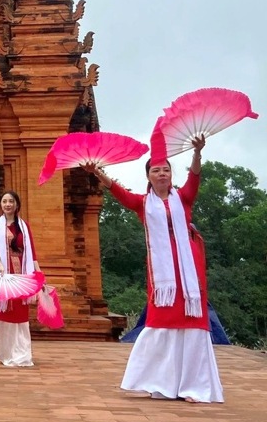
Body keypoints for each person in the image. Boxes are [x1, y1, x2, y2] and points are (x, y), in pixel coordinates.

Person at [82, 134, 223, 403]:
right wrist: (96, 172)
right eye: (156, 170)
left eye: (166, 170)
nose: (161, 174)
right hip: (163, 280)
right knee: (160, 325)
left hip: (189, 274)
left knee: (193, 327)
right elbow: (118, 191)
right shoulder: (142, 204)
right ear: (148, 176)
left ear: (171, 174)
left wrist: (197, 152)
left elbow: (194, 178)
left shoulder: (183, 199)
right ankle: (158, 383)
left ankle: (194, 387)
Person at [0, 191, 42, 367]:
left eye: (11, 201)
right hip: (4, 272)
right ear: (1, 204)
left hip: (22, 274)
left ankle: (22, 354)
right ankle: (6, 353)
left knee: (21, 314)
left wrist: (38, 276)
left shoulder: (24, 226)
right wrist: (2, 267)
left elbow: (32, 253)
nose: (7, 204)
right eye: (4, 201)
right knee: (6, 313)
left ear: (16, 204)